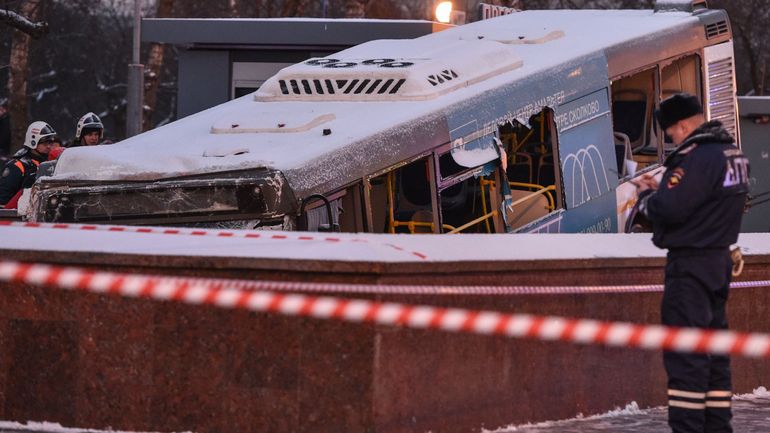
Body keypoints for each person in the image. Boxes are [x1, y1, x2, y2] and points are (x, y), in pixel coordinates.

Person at [635, 93, 750, 433]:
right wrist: (665, 189)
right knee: (715, 357)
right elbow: (700, 199)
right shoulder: (732, 153)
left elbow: (670, 208)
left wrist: (647, 198)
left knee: (687, 358)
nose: (671, 139)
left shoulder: (698, 157)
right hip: (718, 265)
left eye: (671, 133)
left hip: (690, 269)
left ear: (683, 125)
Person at [0, 121, 58, 209]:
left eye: (50, 143)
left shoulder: (50, 164)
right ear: (33, 142)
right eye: (45, 143)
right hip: (18, 218)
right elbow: (3, 201)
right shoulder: (17, 166)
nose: (49, 146)